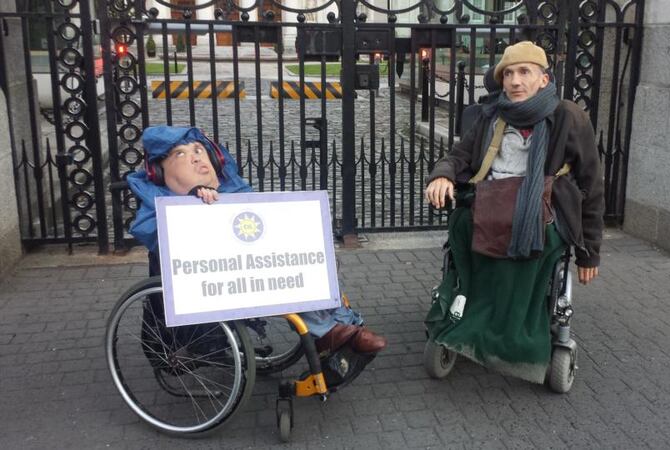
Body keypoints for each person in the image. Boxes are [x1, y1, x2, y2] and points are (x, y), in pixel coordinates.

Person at [424, 41, 603, 382]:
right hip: (489, 203)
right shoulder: (491, 115)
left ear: (544, 79)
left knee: (539, 236)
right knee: (462, 223)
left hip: (541, 210)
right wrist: (443, 175)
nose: (515, 81)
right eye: (509, 74)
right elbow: (458, 156)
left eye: (524, 72)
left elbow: (591, 186)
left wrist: (589, 253)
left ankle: (513, 335)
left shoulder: (567, 116)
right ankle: (467, 317)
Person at [128, 125, 387, 355]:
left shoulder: (233, 188)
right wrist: (190, 204)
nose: (195, 157)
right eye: (181, 154)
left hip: (250, 265)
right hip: (218, 278)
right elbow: (154, 235)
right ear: (161, 172)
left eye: (198, 149)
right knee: (284, 277)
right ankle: (327, 332)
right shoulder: (158, 203)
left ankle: (345, 325)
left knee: (309, 261)